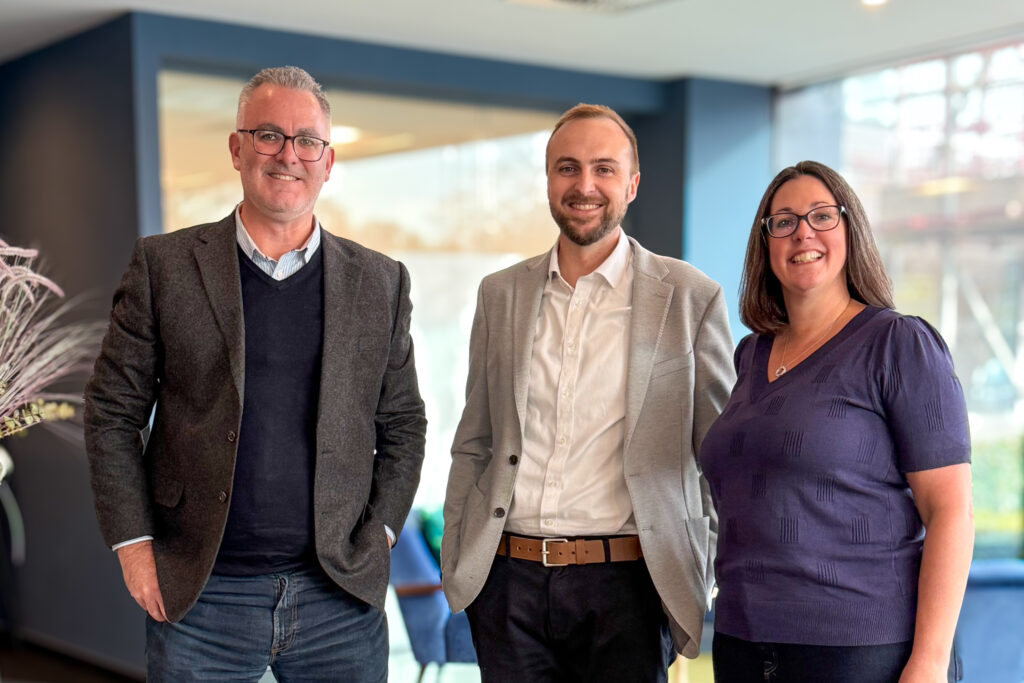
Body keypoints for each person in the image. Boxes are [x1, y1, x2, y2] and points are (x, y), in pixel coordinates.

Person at [84, 66, 426, 682]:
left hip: (339, 600)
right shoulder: (165, 266)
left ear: (327, 161)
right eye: (268, 135)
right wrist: (133, 546)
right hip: (201, 596)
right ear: (237, 148)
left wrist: (381, 533)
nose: (288, 155)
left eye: (307, 141)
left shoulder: (380, 281)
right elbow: (111, 414)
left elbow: (402, 422)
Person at [441, 103, 735, 682]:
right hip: (507, 584)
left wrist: (702, 566)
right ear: (549, 180)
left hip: (629, 586)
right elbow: (475, 439)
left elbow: (720, 458)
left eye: (604, 169)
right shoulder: (500, 294)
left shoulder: (689, 297)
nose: (584, 186)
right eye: (568, 168)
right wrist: (459, 553)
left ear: (632, 184)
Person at [699, 160, 973, 683]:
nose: (803, 232)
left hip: (859, 650)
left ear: (851, 230)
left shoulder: (897, 344)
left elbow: (950, 511)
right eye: (783, 221)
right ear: (765, 244)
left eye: (822, 216)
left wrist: (930, 663)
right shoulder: (751, 355)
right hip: (741, 643)